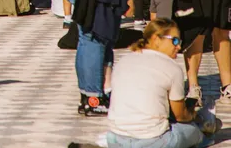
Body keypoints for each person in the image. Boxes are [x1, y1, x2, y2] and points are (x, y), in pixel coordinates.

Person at [86, 19, 214, 148]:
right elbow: (180, 115)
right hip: (151, 141)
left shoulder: (123, 60)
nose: (179, 46)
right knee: (195, 133)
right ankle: (204, 129)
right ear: (156, 39)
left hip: (115, 138)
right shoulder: (171, 67)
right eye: (174, 40)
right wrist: (192, 115)